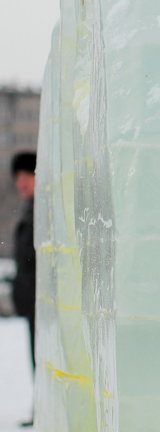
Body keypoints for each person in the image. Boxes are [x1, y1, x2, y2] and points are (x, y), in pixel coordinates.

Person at [10, 151, 36, 427]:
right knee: (36, 356)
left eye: (27, 176)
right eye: (18, 177)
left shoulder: (42, 209)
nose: (21, 183)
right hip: (31, 301)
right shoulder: (29, 209)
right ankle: (39, 405)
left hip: (42, 302)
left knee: (43, 355)